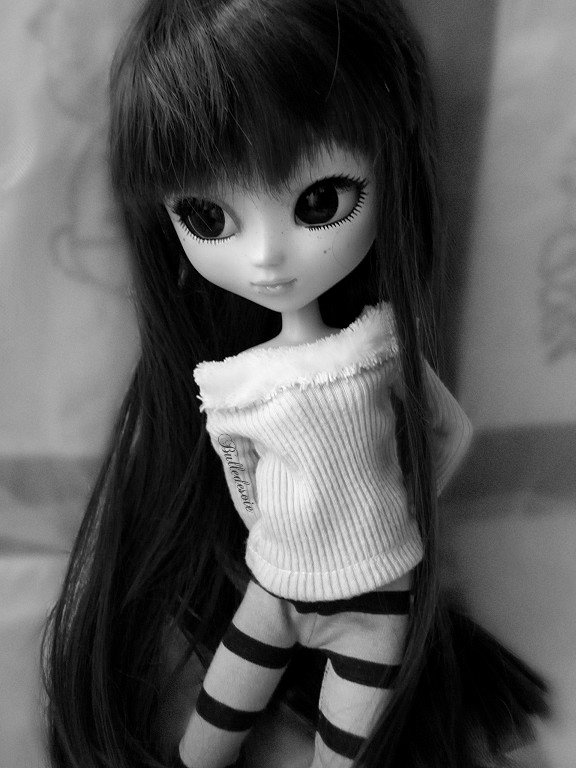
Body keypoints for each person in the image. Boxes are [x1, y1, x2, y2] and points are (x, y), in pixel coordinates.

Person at [44, 1, 549, 767]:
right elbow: (240, 477)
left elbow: (446, 431)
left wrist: (396, 512)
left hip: (375, 596)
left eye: (319, 202)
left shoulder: (377, 350)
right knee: (215, 720)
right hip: (274, 583)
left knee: (344, 747)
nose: (267, 259)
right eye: (208, 216)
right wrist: (276, 528)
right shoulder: (232, 382)